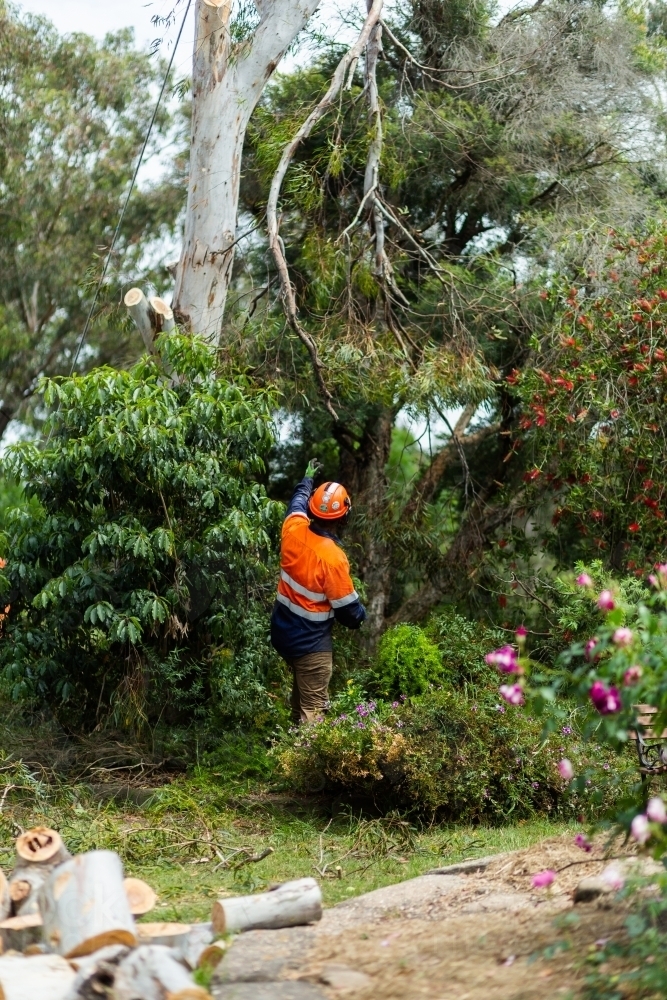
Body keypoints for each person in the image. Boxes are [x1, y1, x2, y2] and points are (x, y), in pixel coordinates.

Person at [271, 460, 366, 724]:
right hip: (310, 644)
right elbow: (350, 613)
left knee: (301, 700)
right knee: (314, 711)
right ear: (344, 516)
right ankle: (308, 762)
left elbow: (297, 502)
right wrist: (362, 614)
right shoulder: (332, 558)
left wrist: (307, 479)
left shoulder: (293, 530)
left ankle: (289, 754)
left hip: (282, 634)